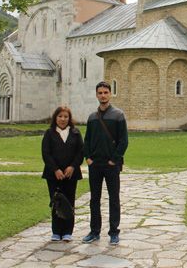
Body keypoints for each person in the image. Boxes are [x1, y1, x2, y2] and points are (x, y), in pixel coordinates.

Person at [82, 81, 128, 245]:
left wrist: (114, 160)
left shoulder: (118, 115)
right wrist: (87, 157)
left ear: (110, 94)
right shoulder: (92, 117)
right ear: (96, 95)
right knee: (94, 199)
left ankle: (114, 232)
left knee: (113, 198)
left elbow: (124, 141)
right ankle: (94, 231)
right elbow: (86, 140)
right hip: (95, 164)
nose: (103, 95)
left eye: (105, 92)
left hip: (111, 165)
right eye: (100, 93)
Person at [41, 106, 83, 242]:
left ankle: (67, 231)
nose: (63, 119)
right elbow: (46, 153)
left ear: (69, 118)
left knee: (69, 202)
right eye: (60, 116)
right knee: (56, 201)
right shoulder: (49, 133)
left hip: (71, 174)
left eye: (66, 116)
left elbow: (80, 153)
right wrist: (55, 169)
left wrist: (72, 167)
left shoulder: (76, 133)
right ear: (55, 118)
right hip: (53, 174)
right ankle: (56, 231)